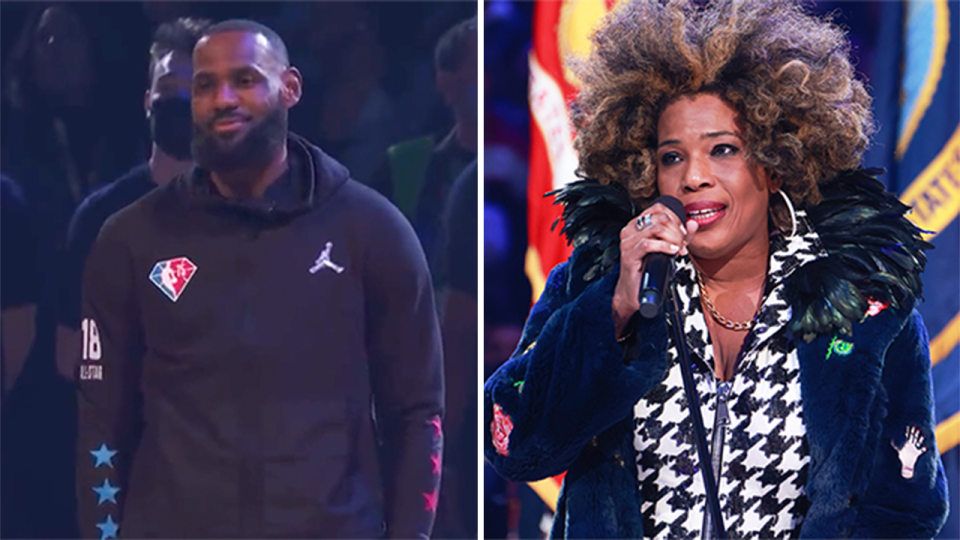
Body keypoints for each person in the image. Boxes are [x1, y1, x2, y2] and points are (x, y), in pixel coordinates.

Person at [483, 1, 949, 538]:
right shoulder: (596, 286)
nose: (693, 177)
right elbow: (514, 443)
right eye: (671, 157)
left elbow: (904, 509)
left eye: (722, 150)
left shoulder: (863, 305)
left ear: (778, 164)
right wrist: (613, 311)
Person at [76, 19, 443, 539]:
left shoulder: (373, 232)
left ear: (289, 88)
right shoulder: (131, 239)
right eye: (206, 85)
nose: (223, 98)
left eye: (245, 79)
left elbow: (416, 413)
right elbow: (101, 423)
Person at [56, 17, 212, 381]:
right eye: (170, 85)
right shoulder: (103, 217)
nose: (182, 99)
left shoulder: (246, 211)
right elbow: (70, 355)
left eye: (196, 87)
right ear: (148, 100)